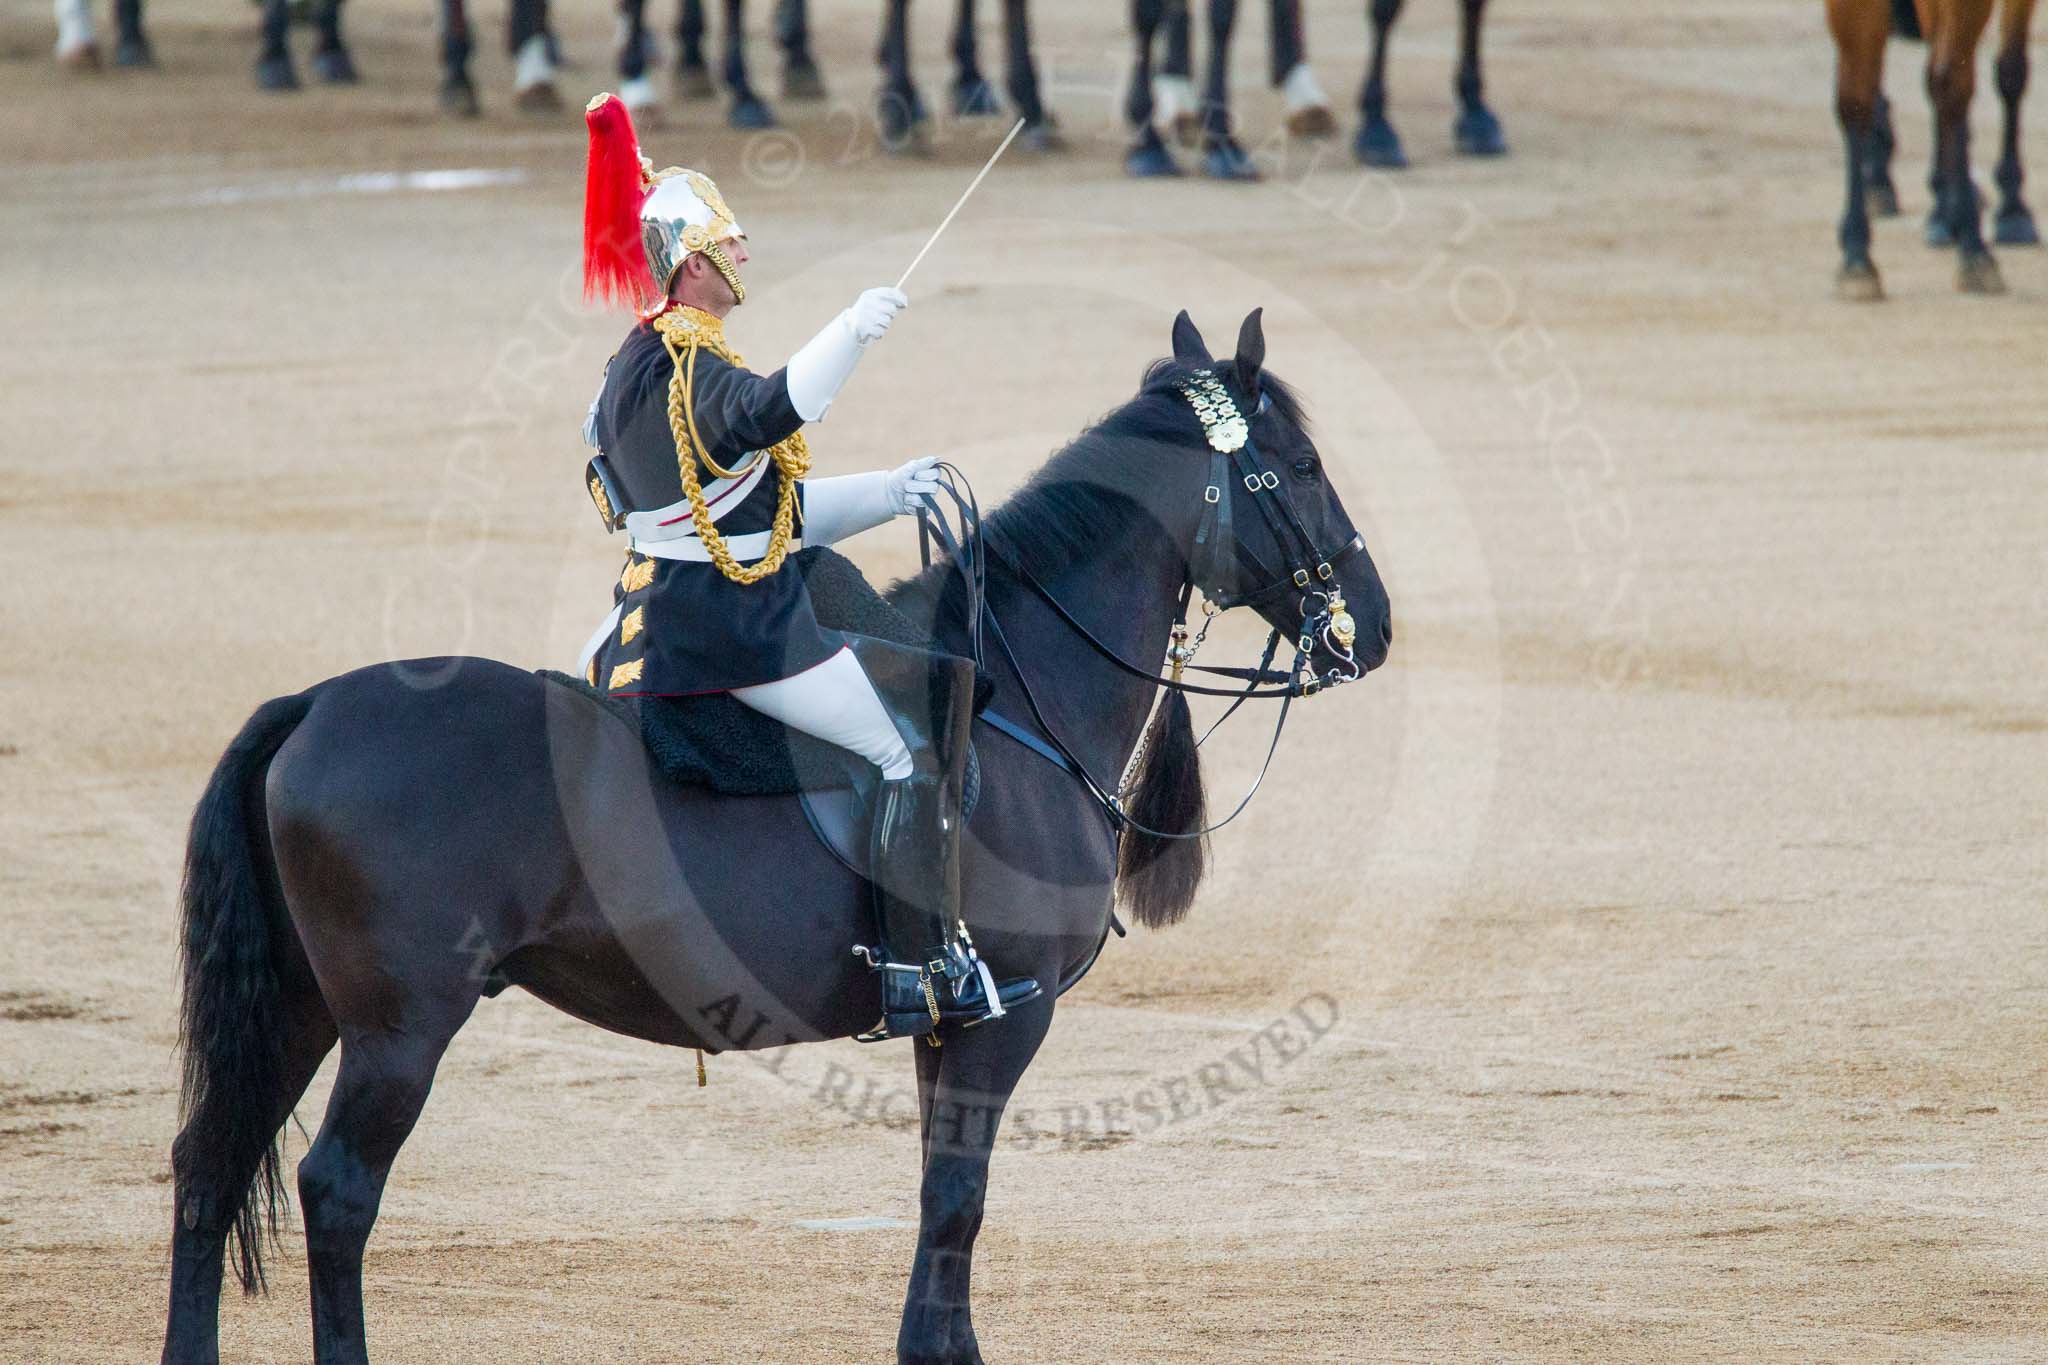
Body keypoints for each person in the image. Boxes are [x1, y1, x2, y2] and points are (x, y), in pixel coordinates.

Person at [574, 93, 1038, 1041]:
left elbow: (748, 514)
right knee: (902, 746)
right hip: (730, 630)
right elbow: (774, 408)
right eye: (729, 245)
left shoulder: (638, 364)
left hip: (650, 608)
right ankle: (923, 968)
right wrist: (851, 330)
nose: (743, 256)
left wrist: (889, 491)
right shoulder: (693, 371)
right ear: (693, 263)